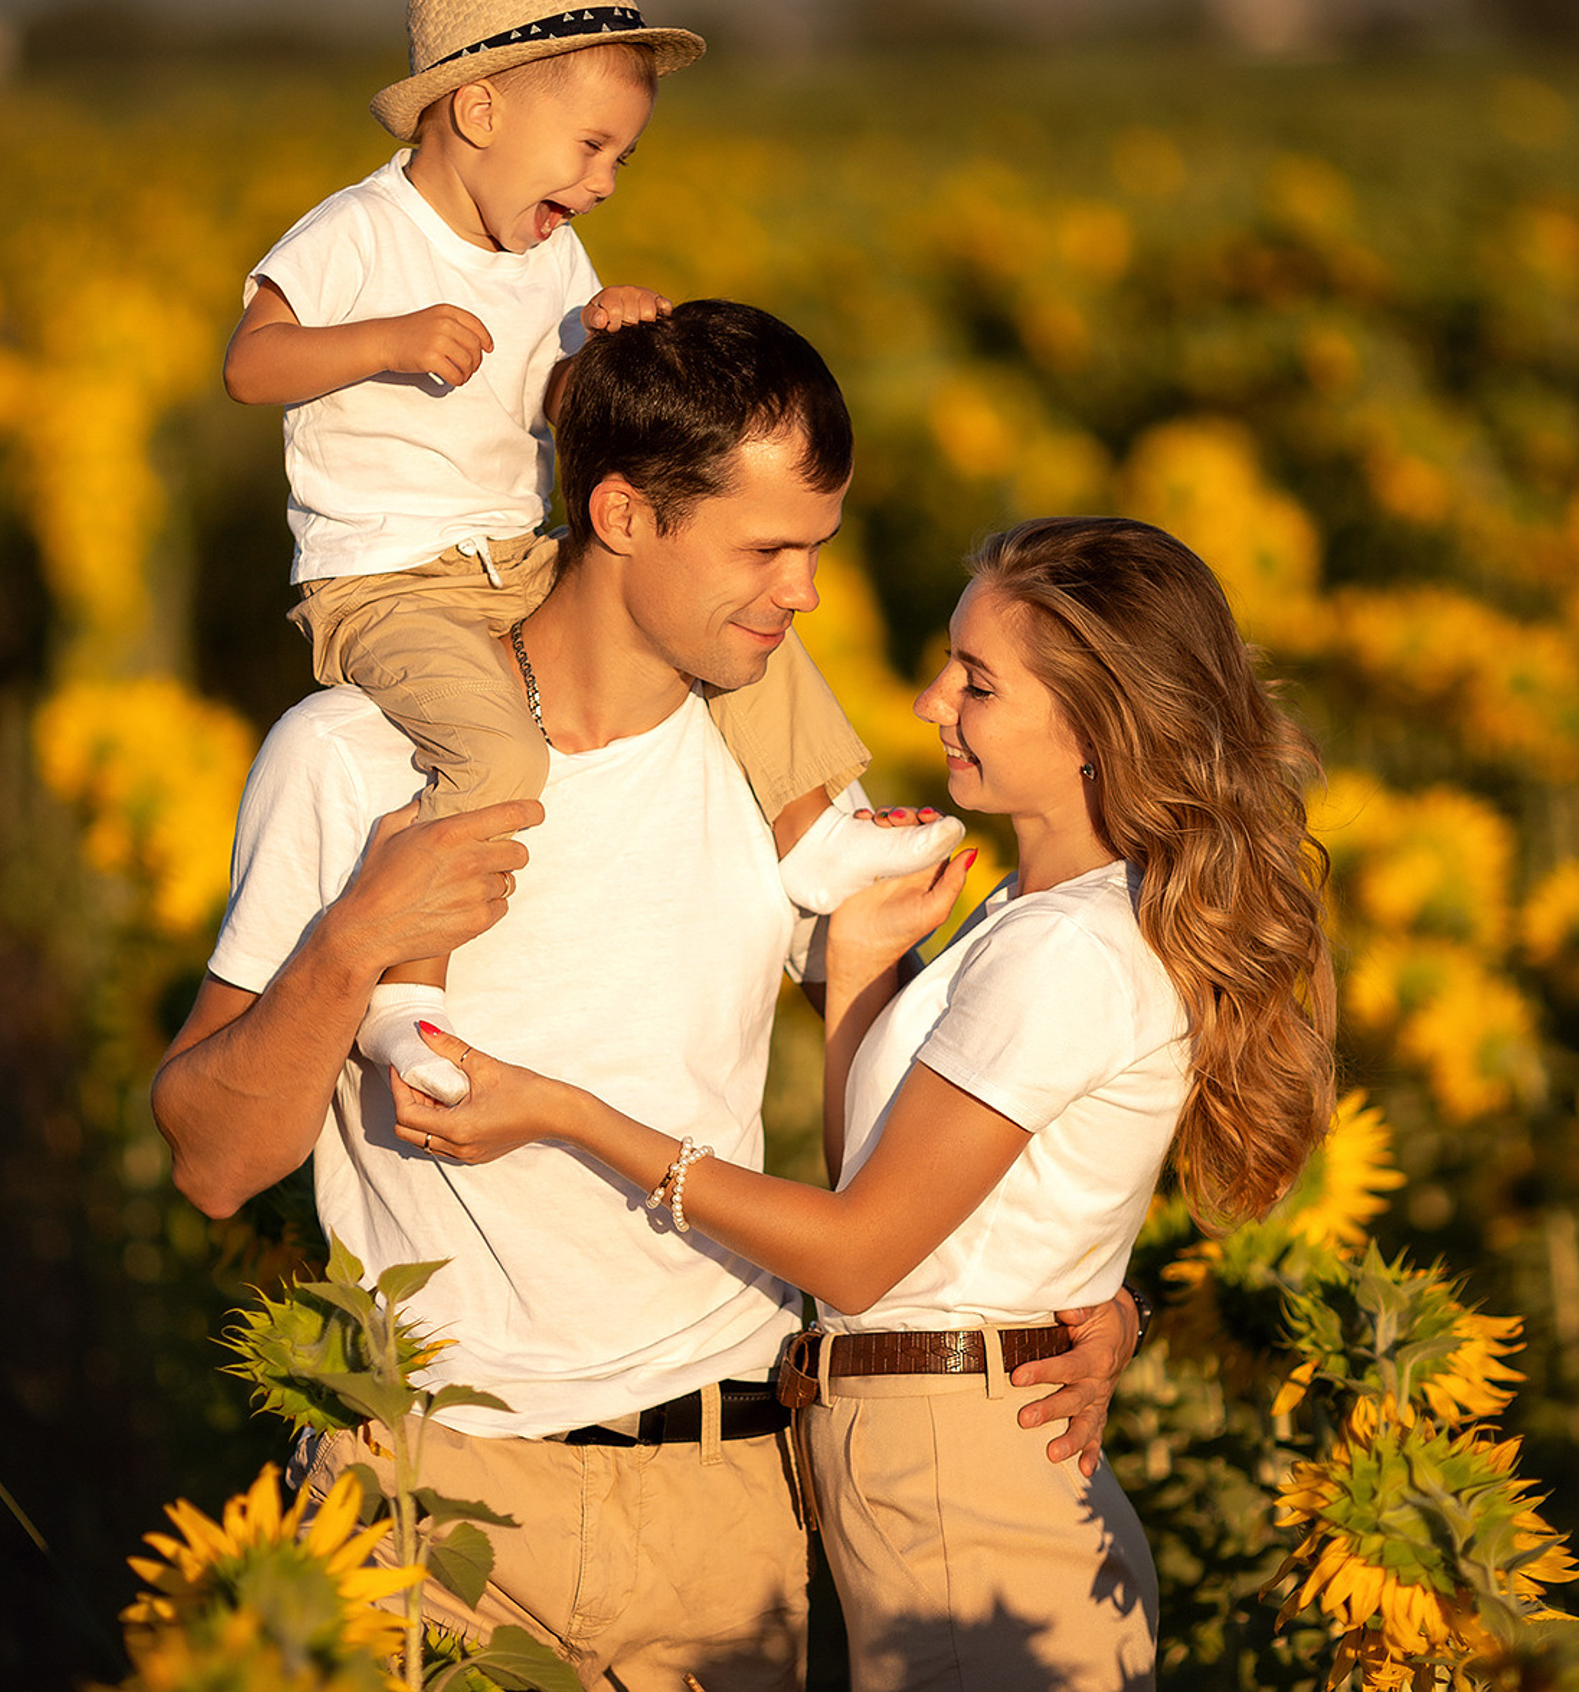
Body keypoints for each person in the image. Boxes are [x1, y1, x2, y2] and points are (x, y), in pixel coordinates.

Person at [154, 305, 1139, 1692]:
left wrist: (1081, 1301)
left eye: (817, 549)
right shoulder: (351, 760)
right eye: (766, 550)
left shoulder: (787, 798)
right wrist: (352, 939)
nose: (804, 594)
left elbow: (946, 1121)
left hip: (727, 1510)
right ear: (621, 514)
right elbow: (212, 1161)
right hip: (429, 1498)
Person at [408, 514, 1340, 1692]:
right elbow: (889, 1199)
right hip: (932, 1474)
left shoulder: (1069, 950)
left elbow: (855, 1257)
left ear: (1096, 728)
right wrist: (858, 967)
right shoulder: (1031, 915)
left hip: (967, 1496)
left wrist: (568, 1114)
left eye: (978, 684)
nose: (931, 701)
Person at [223, 0, 952, 1103]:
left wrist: (613, 349)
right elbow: (253, 366)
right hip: (387, 582)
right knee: (499, 752)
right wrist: (387, 340)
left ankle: (812, 832)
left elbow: (566, 406)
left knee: (723, 614)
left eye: (620, 156)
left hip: (513, 553)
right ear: (478, 112)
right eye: (592, 146)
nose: (606, 181)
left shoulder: (551, 252)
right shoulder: (356, 234)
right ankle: (409, 996)